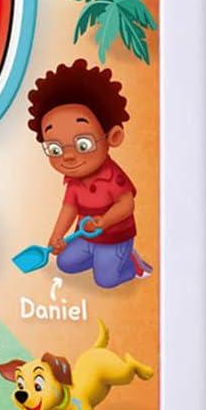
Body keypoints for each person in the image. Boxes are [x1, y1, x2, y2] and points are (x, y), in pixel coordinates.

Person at [27, 58, 151, 288]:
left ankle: (130, 263)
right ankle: (104, 261)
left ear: (113, 137)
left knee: (106, 280)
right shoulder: (74, 182)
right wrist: (57, 236)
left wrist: (104, 221)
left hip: (114, 239)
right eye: (55, 149)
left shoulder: (113, 176)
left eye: (82, 144)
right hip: (85, 238)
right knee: (65, 263)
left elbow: (126, 205)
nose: (68, 156)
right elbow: (69, 209)